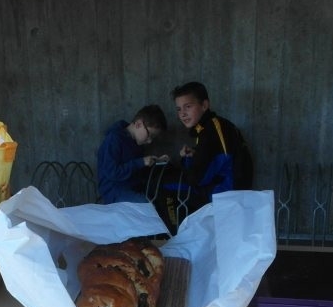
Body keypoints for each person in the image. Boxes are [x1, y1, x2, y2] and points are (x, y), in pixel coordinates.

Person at [164, 81, 254, 219]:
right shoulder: (210, 126)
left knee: (162, 185)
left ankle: (174, 233)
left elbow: (198, 178)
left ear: (204, 105)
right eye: (179, 109)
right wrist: (192, 156)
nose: (182, 114)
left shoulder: (212, 130)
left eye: (188, 107)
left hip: (226, 193)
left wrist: (185, 162)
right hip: (225, 188)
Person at [96, 104, 168, 204]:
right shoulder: (114, 139)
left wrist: (156, 162)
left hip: (133, 187)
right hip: (114, 190)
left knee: (163, 197)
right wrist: (141, 162)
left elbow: (136, 169)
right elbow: (111, 172)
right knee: (144, 204)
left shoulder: (137, 142)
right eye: (149, 135)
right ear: (138, 124)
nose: (150, 141)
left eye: (153, 138)